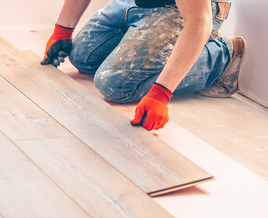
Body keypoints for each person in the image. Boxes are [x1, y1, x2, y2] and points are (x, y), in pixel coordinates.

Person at [41, 0, 246, 131]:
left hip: (191, 10)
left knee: (115, 85)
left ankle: (222, 53)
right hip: (139, 3)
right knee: (82, 56)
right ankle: (165, 43)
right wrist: (62, 31)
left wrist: (161, 93)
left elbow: (198, 20)